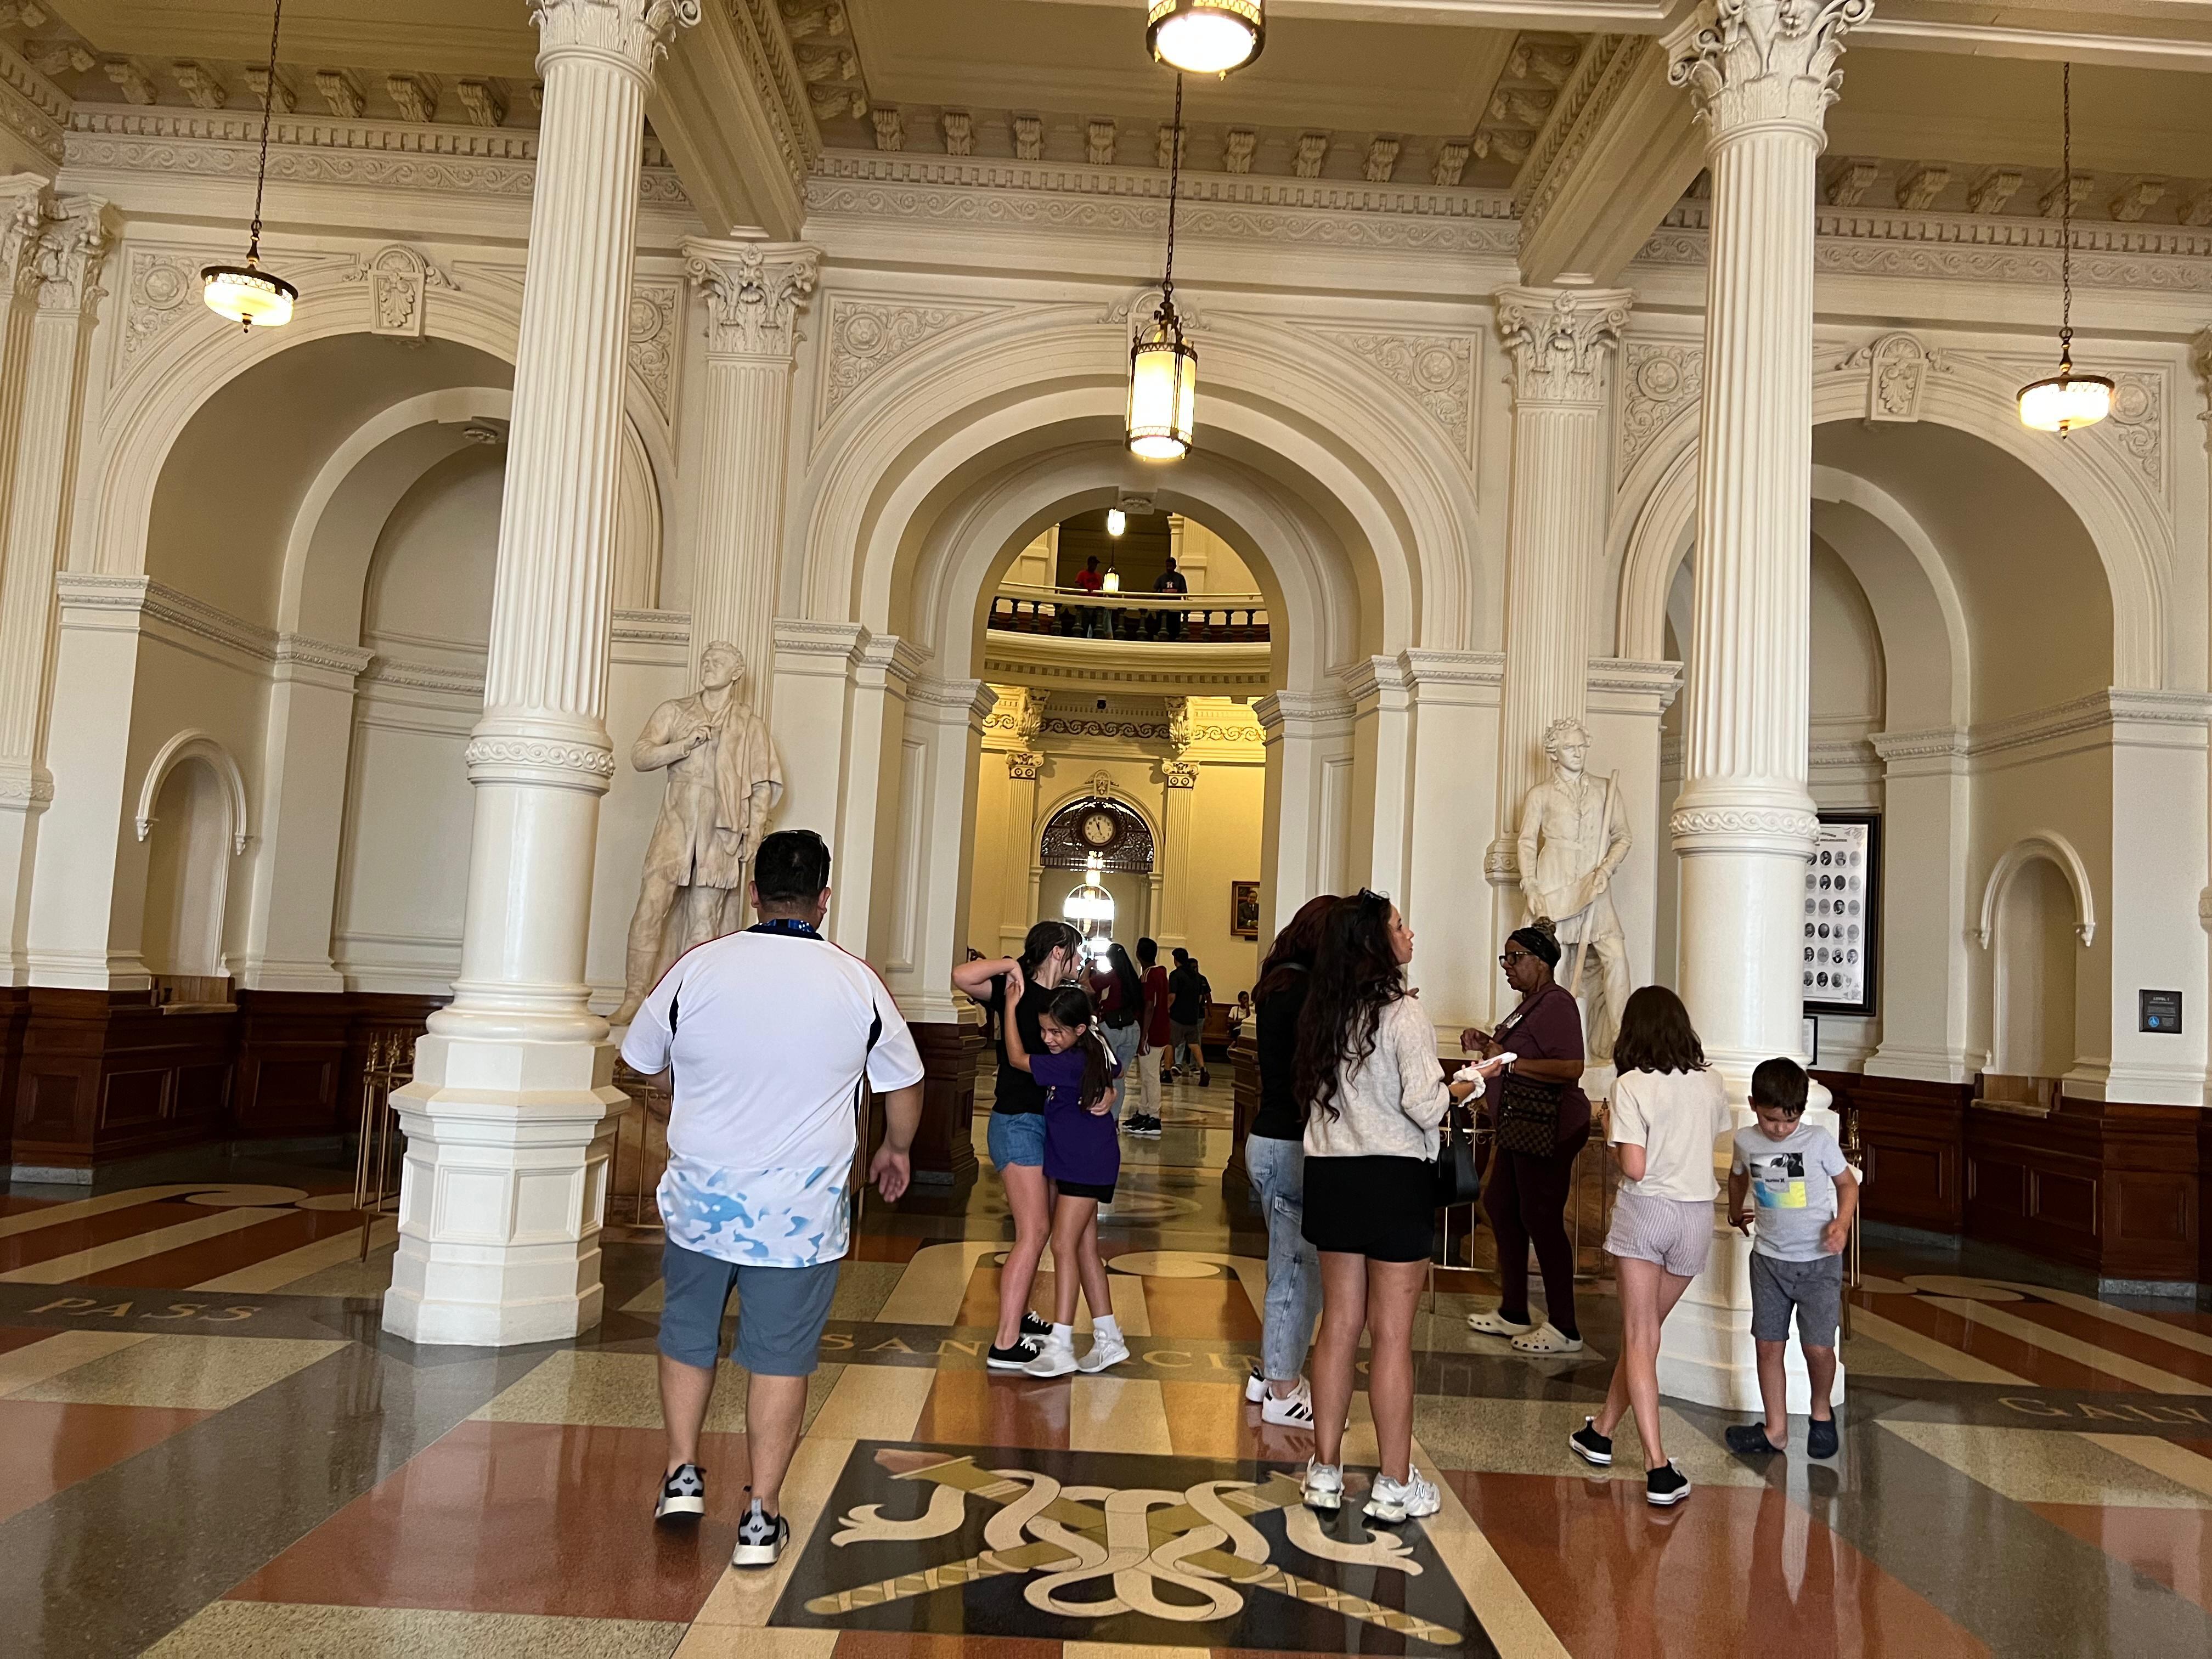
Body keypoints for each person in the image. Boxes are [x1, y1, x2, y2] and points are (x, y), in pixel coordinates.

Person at [621, 829, 923, 1570]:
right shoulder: (855, 981)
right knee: (781, 1358)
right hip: (799, 1213)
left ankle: (681, 1477)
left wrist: (686, 1093)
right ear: (825, 899)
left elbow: (640, 1059)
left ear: (753, 894)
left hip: (702, 1197)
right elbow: (905, 1080)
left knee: (688, 1334)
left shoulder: (699, 967)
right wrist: (896, 1148)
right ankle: (761, 1516)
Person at [1296, 890, 1485, 1524]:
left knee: (1338, 1325)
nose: (1410, 934)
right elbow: (1424, 1106)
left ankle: (1325, 1471)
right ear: (1378, 944)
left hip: (1331, 1174)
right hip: (1393, 1177)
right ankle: (1394, 1483)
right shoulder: (1404, 1014)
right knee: (1392, 1337)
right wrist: (1466, 1085)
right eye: (1400, 926)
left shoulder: (1324, 1013)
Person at [1568, 986, 1733, 1508]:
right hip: (1695, 1217)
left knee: (1640, 1336)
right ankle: (1600, 1432)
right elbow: (1710, 1142)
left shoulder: (1630, 1085)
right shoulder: (1711, 1082)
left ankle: (1657, 1466)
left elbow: (1635, 1168)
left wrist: (1609, 1132)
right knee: (1646, 1335)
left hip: (1647, 1214)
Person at [611, 641, 784, 1024]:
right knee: (649, 908)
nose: (708, 666)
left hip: (720, 829)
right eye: (705, 660)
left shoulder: (748, 725)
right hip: (676, 822)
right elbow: (640, 756)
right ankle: (635, 998)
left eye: (717, 662)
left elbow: (762, 784)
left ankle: (688, 1007)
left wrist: (755, 831)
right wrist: (682, 746)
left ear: (736, 673)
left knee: (705, 920)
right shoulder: (675, 711)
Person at [952, 919, 1084, 1368]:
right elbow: (961, 976)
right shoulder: (1016, 989)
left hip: (1048, 1124)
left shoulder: (1061, 1001)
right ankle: (1005, 1343)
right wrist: (1010, 965)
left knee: (1037, 1229)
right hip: (1018, 1121)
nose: (1080, 961)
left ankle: (1020, 1313)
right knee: (1034, 1231)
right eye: (1075, 951)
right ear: (1058, 951)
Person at [1463, 920, 1591, 1355]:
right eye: (1506, 958)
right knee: (1501, 1205)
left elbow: (1571, 1066)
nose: (1507, 966)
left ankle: (1565, 1326)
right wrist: (1488, 1044)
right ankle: (1514, 1309)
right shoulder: (1529, 1005)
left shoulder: (1557, 1003)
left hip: (1548, 1127)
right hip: (1520, 1126)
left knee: (1542, 1219)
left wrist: (1511, 1064)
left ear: (1541, 962)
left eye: (1515, 957)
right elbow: (1514, 1054)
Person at [1725, 1057, 1858, 1462]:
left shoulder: (1818, 1140)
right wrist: (1735, 1209)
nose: (1781, 1129)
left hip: (1818, 1262)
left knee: (1818, 1347)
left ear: (1801, 1110)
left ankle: (1821, 1413)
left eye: (1790, 1120)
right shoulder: (1746, 1141)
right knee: (1768, 1345)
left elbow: (1847, 1184)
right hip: (1769, 1261)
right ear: (1753, 1105)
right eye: (1771, 1120)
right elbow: (1738, 1175)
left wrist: (1842, 1223)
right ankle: (1775, 1430)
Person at [998, 982, 1130, 1377]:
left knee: (1062, 1245)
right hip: (1082, 1160)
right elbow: (1115, 1068)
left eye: (1056, 1032)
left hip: (1083, 1164)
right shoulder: (1092, 1048)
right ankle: (1109, 1338)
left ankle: (1061, 1344)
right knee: (1085, 1248)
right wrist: (1108, 1088)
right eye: (1043, 1031)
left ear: (1079, 1030)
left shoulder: (1072, 1061)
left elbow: (1017, 1058)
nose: (1048, 1039)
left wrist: (1009, 1009)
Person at [1240, 895, 1336, 1427]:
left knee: (1287, 1265)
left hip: (1271, 1136)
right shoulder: (1303, 993)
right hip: (1291, 1144)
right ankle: (1282, 1389)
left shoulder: (1281, 983)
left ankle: (1269, 1373)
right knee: (1298, 1270)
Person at [1513, 716, 1632, 1062]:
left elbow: (1623, 837)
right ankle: (1558, 1044)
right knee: (1557, 964)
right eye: (1570, 747)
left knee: (1615, 957)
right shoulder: (1540, 794)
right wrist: (1531, 885)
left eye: (1582, 746)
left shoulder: (1606, 789)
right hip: (1555, 880)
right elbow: (1526, 842)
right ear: (1555, 752)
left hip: (1594, 881)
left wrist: (1606, 869)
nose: (1578, 753)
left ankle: (1623, 1041)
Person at [1091, 942, 1145, 1133]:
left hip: (1111, 1028)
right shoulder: (1133, 978)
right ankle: (1114, 1120)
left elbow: (1087, 985)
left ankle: (1103, 1117)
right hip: (1133, 1029)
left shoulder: (1112, 976)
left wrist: (1090, 967)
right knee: (1120, 1077)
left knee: (1105, 1074)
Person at [1128, 936, 1169, 1137]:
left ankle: (1154, 1117)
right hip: (1161, 1030)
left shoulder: (1149, 975)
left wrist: (1143, 1034)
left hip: (1152, 1032)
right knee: (1147, 1075)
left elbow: (1149, 1005)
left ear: (1139, 955)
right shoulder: (1161, 973)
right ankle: (1144, 1111)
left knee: (1151, 1076)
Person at [1167, 949, 1211, 1085]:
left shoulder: (1176, 975)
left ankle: (1167, 1072)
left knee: (1170, 1043)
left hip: (1177, 1017)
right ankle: (1203, 1070)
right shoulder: (1197, 977)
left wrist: (1166, 1008)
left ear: (1176, 959)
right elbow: (1201, 997)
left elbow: (1172, 996)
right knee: (1194, 1045)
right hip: (1193, 1017)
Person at [1071, 554, 1110, 638]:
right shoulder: (1082, 574)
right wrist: (1086, 589)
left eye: (1096, 564)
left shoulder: (1098, 576)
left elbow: (1100, 588)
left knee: (1097, 628)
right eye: (1093, 564)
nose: (1094, 566)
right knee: (1084, 627)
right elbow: (1077, 587)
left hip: (1096, 605)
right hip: (1085, 605)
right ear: (1089, 564)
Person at [1153, 555, 1188, 640]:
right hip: (1163, 607)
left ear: (1175, 566)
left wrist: (1187, 604)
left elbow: (1185, 593)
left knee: (1174, 629)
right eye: (1167, 566)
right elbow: (1154, 591)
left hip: (1175, 608)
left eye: (1171, 566)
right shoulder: (1161, 578)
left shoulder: (1180, 578)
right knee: (1162, 627)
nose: (1169, 568)